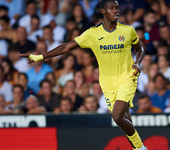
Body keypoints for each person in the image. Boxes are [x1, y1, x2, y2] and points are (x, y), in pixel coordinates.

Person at [20, 0, 147, 149]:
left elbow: (140, 49)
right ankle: (138, 147)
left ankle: (140, 147)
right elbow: (67, 46)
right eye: (111, 8)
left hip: (127, 77)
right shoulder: (93, 34)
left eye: (117, 8)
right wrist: (40, 56)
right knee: (124, 119)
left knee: (117, 116)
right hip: (107, 83)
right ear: (103, 11)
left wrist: (137, 63)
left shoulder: (127, 30)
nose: (116, 11)